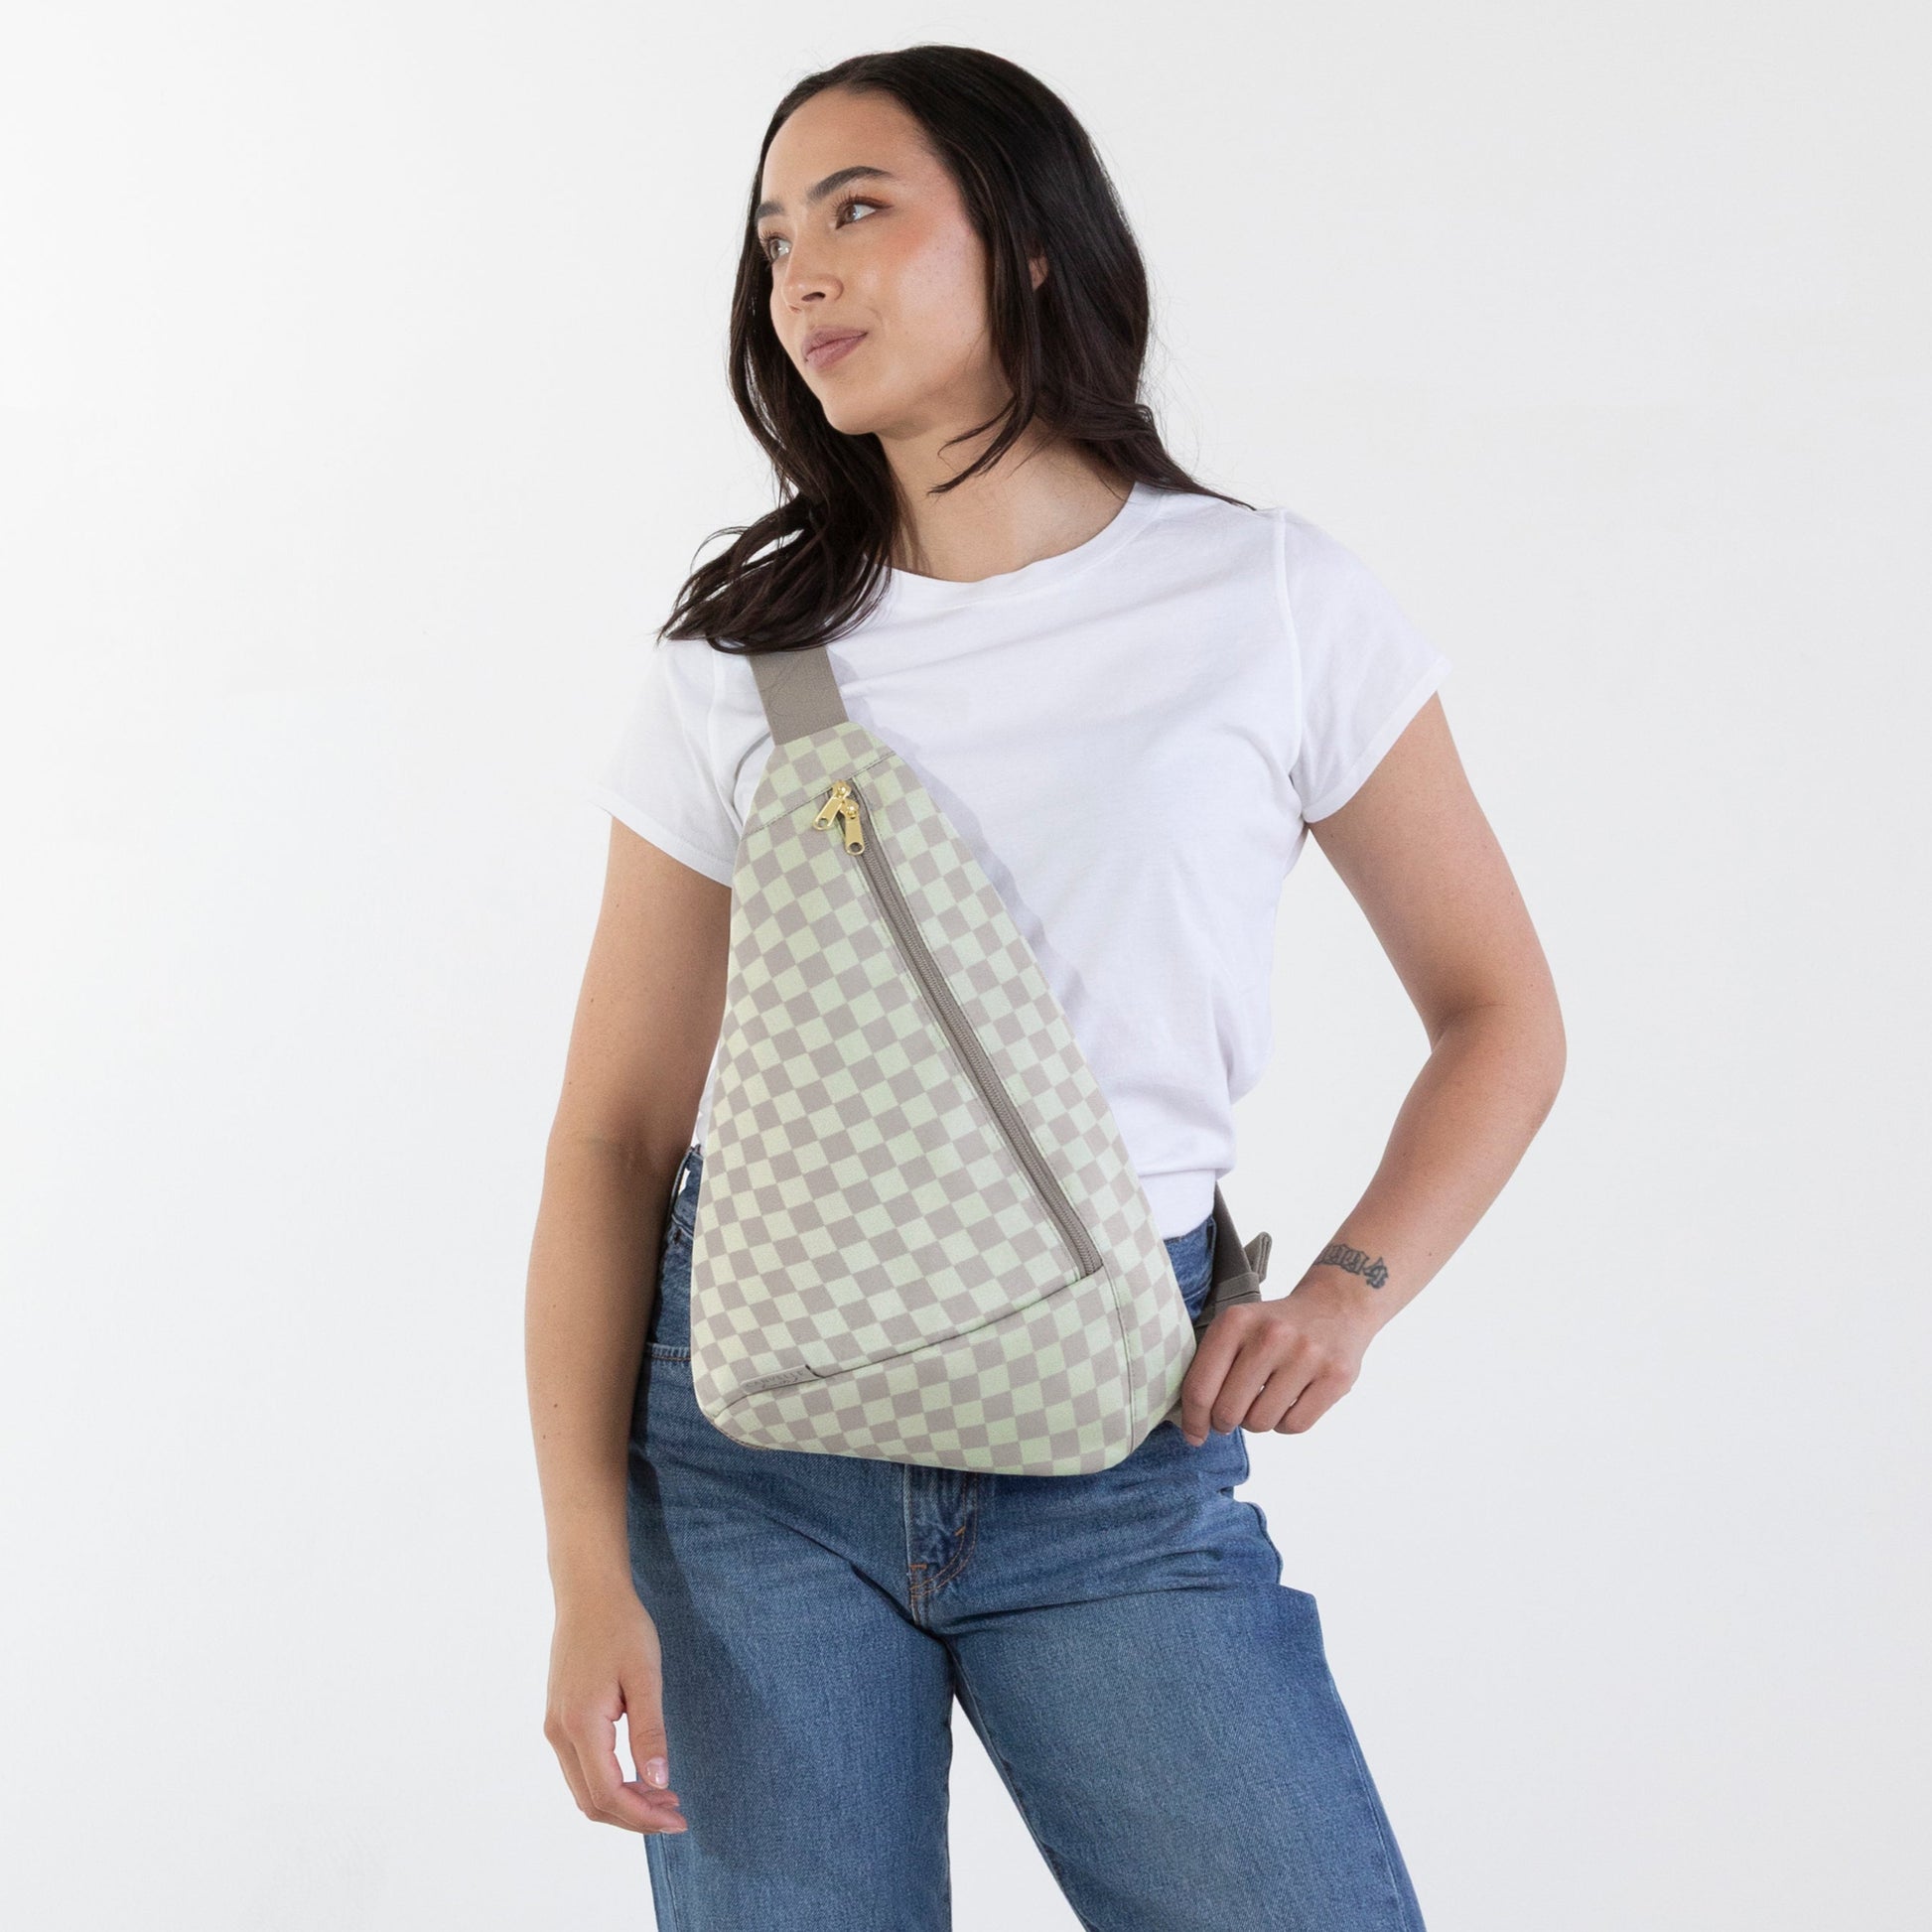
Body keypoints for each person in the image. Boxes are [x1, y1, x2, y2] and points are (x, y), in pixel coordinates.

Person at [524, 43, 1564, 1932]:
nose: (802, 275)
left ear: (1022, 238)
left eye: (857, 209)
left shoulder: (1266, 600)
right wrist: (587, 1566)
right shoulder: (736, 661)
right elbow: (611, 1137)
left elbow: (1498, 1010)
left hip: (1121, 1433)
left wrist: (1349, 1286)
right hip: (749, 1467)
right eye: (774, 241)